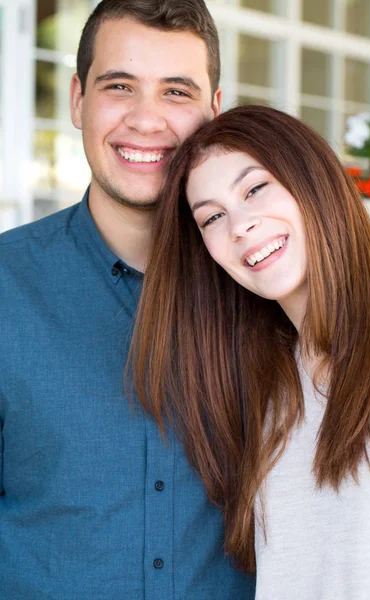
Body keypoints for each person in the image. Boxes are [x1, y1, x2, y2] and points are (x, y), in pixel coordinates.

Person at [0, 2, 256, 598]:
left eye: (176, 92)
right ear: (76, 101)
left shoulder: (271, 287)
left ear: (214, 112)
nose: (146, 121)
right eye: (119, 85)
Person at [134, 104, 370, 600]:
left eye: (255, 188)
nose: (239, 225)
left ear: (312, 180)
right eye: (211, 216)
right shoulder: (268, 390)